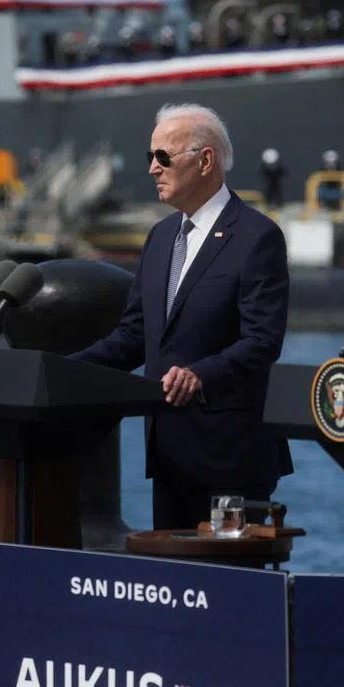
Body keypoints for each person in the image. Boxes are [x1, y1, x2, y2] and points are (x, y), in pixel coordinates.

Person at [69, 103, 292, 530]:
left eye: (163, 157)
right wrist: (66, 367)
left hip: (231, 455)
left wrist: (199, 374)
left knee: (227, 588)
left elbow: (262, 340)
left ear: (205, 160)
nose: (153, 168)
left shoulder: (257, 236)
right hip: (169, 451)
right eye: (150, 157)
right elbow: (136, 334)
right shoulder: (160, 237)